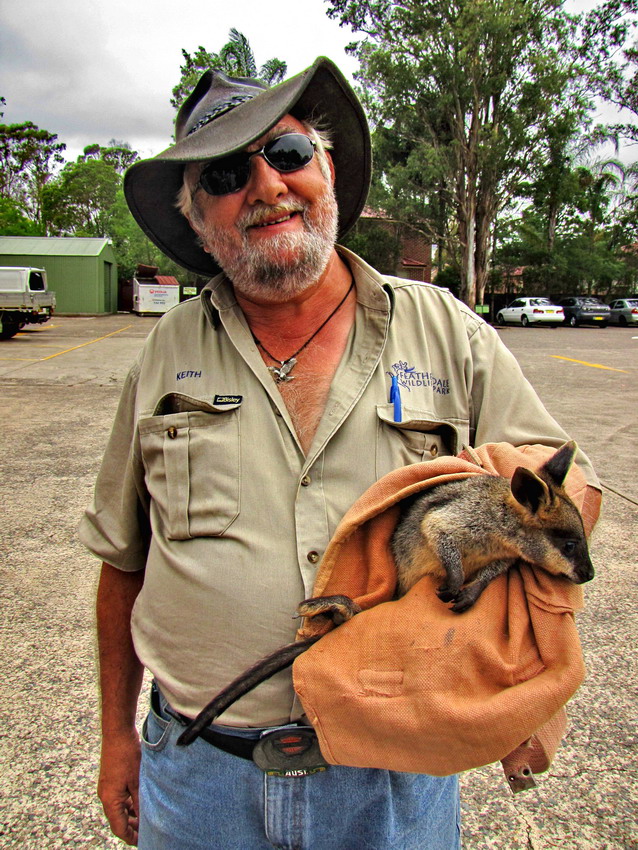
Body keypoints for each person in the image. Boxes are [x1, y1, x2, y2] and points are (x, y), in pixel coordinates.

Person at [80, 57, 600, 850]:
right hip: (199, 781)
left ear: (326, 170)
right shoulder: (163, 352)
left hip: (395, 779)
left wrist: (531, 684)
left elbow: (565, 502)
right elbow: (123, 566)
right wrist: (118, 740)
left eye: (286, 154)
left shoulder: (445, 331)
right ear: (196, 220)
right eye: (225, 174)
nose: (266, 186)